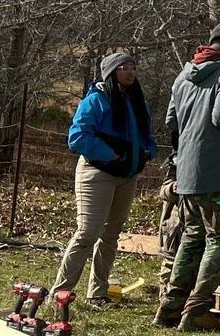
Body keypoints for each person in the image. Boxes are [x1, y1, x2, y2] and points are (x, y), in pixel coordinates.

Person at [157, 22, 220, 330]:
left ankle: (169, 308)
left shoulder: (184, 74)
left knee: (192, 238)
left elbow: (171, 122)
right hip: (219, 174)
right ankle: (197, 310)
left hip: (187, 175)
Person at [54, 52, 156, 309]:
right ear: (111, 73)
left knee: (111, 235)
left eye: (133, 66)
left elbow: (146, 134)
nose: (130, 72)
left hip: (128, 176)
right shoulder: (96, 100)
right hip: (97, 175)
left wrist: (148, 151)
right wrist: (109, 154)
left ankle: (97, 294)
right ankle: (61, 293)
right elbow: (77, 137)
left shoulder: (135, 101)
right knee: (87, 233)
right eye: (124, 67)